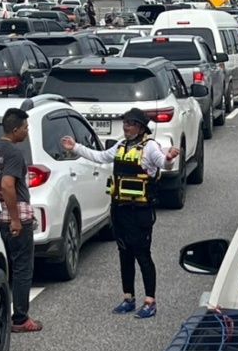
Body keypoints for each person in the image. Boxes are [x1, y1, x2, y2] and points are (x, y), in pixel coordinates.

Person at [61, 107, 179, 319]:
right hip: (120, 210)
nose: (126, 127)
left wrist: (170, 157)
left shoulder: (150, 147)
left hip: (141, 211)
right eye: (125, 123)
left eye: (130, 124)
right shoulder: (121, 145)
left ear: (141, 128)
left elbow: (163, 162)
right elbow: (100, 156)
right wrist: (76, 147)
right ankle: (128, 298)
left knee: (142, 254)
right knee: (124, 253)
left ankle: (150, 301)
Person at [0, 108, 41, 333]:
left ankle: (1, 314)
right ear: (16, 129)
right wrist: (17, 220)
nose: (27, 132)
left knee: (6, 267)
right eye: (26, 128)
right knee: (22, 268)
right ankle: (20, 318)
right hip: (15, 214)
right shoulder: (14, 154)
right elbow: (8, 185)